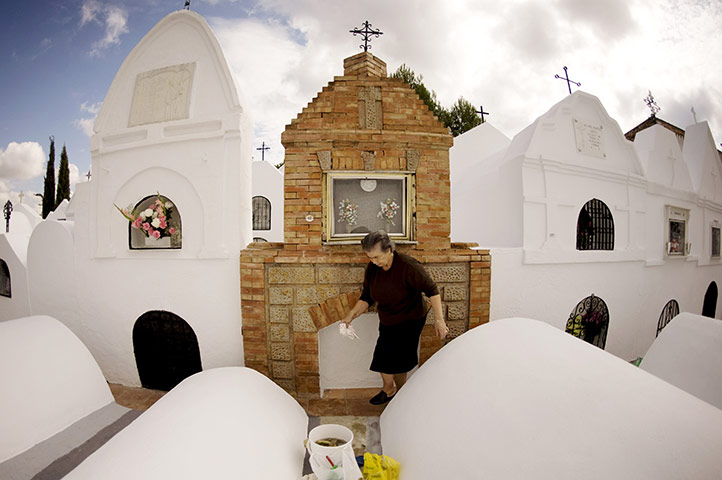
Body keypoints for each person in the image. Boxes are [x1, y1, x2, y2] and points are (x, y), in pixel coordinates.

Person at [340, 231, 449, 405]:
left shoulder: (408, 266)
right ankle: (389, 390)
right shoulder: (373, 269)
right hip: (388, 318)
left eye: (376, 257)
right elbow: (367, 297)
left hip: (410, 319)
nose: (373, 262)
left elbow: (432, 290)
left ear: (389, 250)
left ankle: (400, 397)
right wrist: (351, 315)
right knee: (383, 357)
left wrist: (439, 319)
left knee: (400, 361)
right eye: (370, 258)